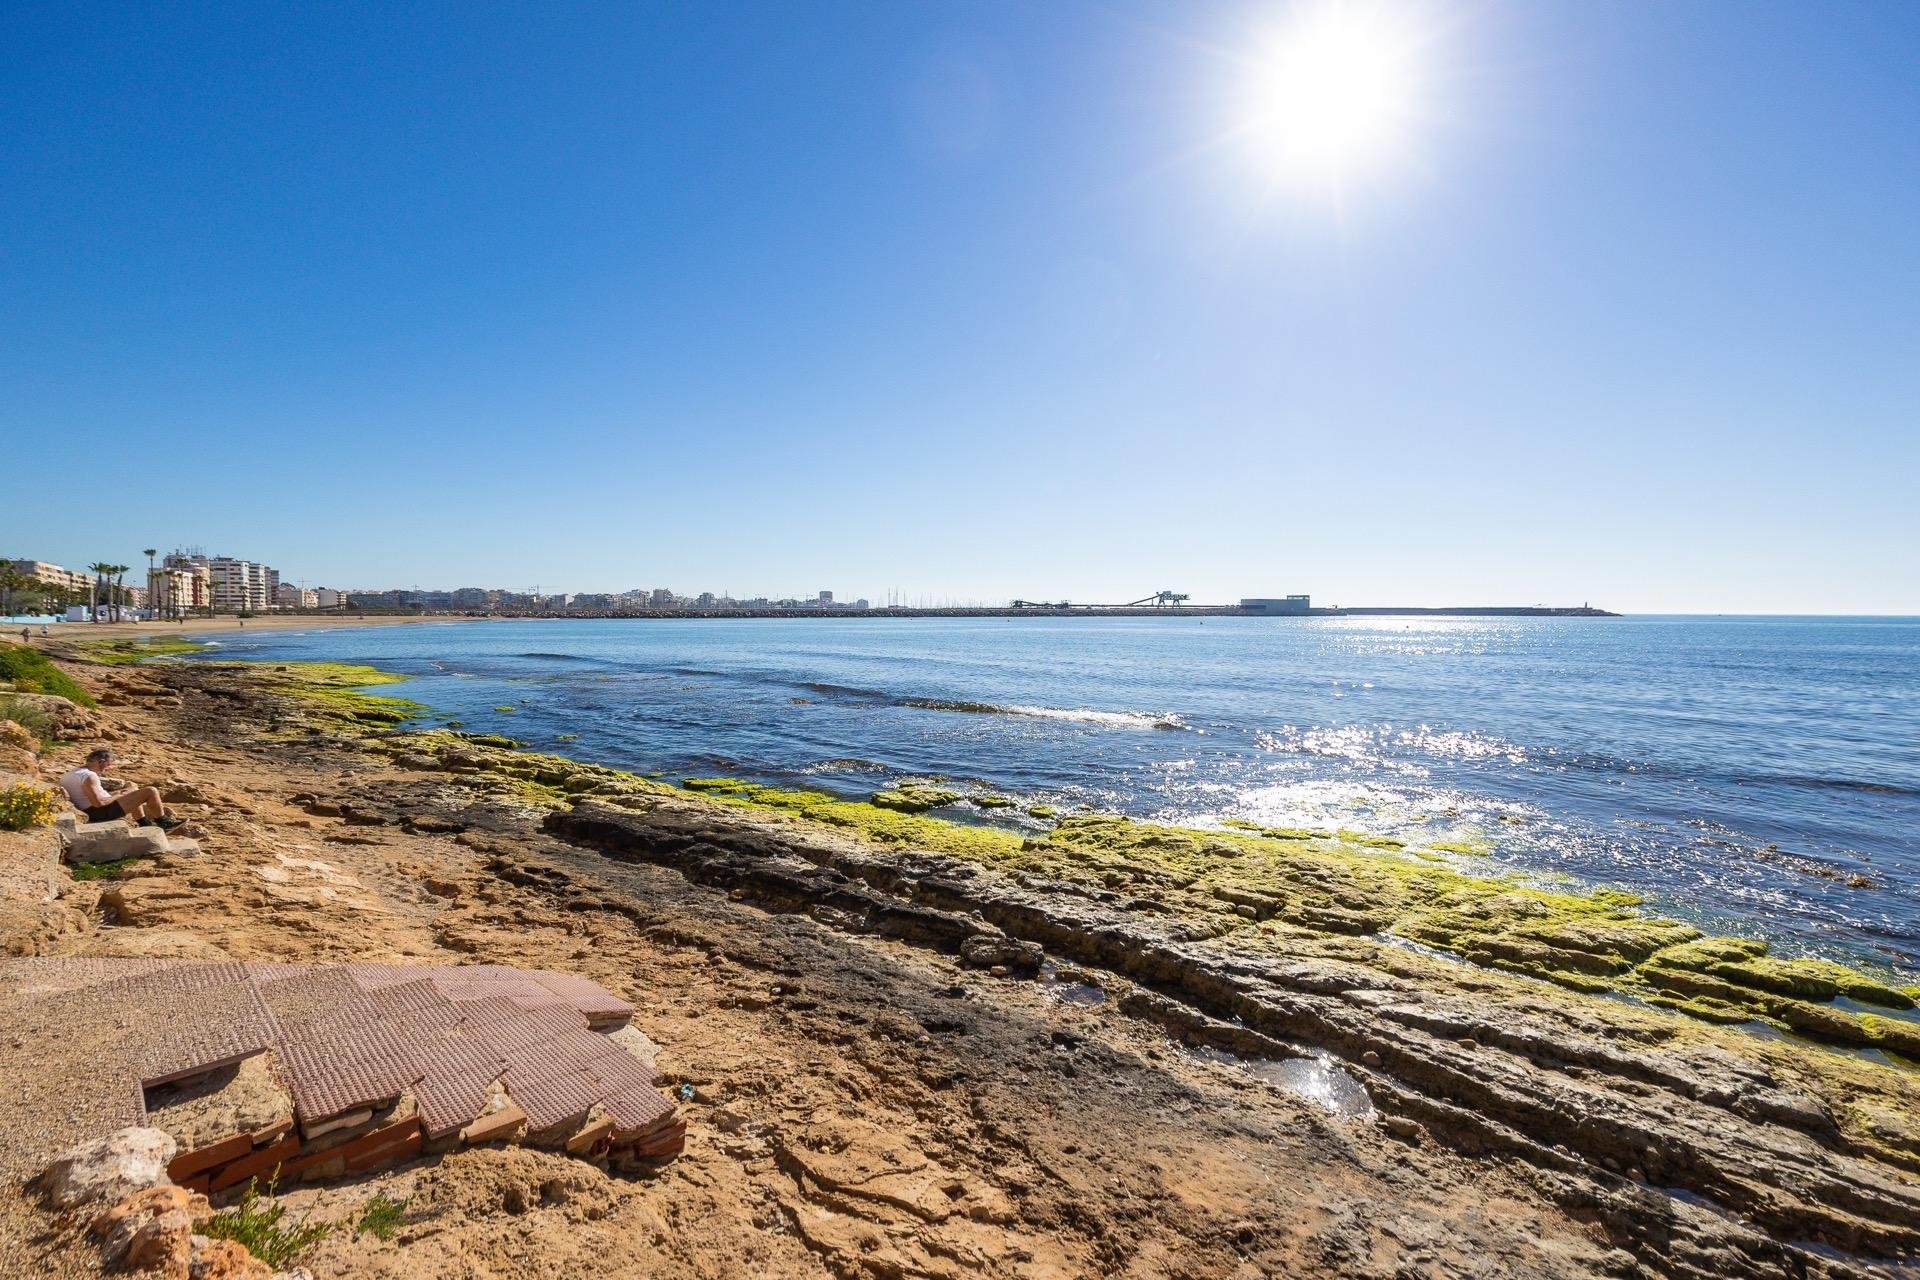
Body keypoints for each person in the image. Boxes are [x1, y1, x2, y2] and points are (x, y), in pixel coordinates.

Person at [58, 749, 181, 829]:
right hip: (98, 813)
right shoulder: (89, 776)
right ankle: (164, 823)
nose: (107, 769)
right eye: (107, 765)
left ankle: (144, 823)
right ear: (101, 762)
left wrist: (117, 793)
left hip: (88, 809)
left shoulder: (73, 772)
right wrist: (119, 795)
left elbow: (87, 796)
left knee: (132, 789)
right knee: (151, 791)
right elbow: (98, 803)